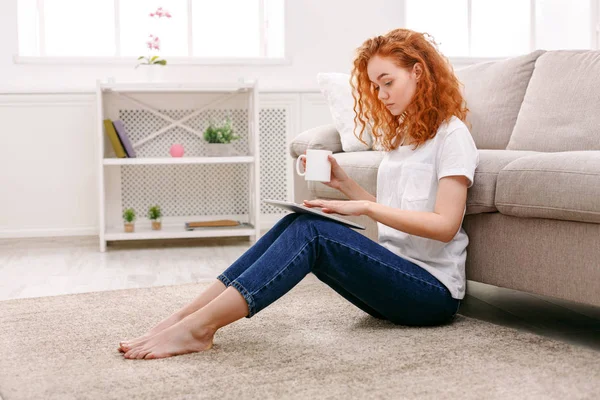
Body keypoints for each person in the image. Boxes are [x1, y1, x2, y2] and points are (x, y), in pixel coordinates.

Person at [118, 28, 479, 360]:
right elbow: (397, 210)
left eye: (388, 82)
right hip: (395, 271)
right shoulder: (403, 137)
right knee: (299, 220)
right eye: (376, 87)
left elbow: (444, 225)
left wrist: (364, 205)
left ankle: (198, 329)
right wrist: (345, 186)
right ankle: (187, 316)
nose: (382, 96)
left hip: (431, 294)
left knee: (313, 233)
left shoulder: (452, 136)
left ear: (418, 72)